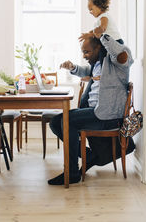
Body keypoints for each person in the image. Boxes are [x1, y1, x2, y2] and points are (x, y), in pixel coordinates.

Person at [48, 34, 134, 185]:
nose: (84, 56)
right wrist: (73, 68)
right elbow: (87, 70)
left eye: (87, 52)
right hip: (95, 111)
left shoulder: (116, 63)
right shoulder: (98, 64)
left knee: (68, 121)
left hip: (108, 115)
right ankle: (90, 156)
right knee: (56, 121)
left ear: (99, 48)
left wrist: (101, 34)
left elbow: (125, 57)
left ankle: (72, 173)